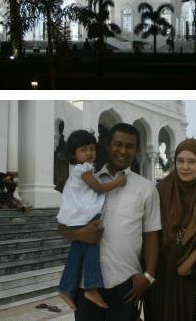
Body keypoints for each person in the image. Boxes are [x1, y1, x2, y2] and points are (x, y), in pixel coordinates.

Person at [56, 123, 161, 320]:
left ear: (137, 150)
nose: (123, 151)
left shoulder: (146, 189)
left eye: (130, 146)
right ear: (106, 145)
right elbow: (62, 227)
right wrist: (79, 234)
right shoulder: (83, 182)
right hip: (85, 284)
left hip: (125, 283)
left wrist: (148, 277)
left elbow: (152, 234)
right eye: (118, 144)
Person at [144, 138, 196, 321]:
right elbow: (145, 233)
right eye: (180, 161)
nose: (185, 167)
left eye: (191, 161)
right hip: (160, 276)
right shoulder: (159, 191)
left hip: (192, 277)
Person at [57, 129, 128, 311]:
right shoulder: (83, 170)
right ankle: (91, 286)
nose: (89, 153)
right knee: (91, 249)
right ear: (74, 154)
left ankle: (66, 287)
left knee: (76, 252)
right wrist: (118, 183)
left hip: (75, 217)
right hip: (84, 216)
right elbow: (99, 188)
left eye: (91, 148)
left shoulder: (80, 171)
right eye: (83, 150)